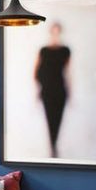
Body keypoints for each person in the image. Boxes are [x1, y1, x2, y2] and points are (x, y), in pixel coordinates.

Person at [34, 22, 71, 157]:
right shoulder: (43, 50)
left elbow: (68, 72)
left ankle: (54, 146)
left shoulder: (65, 50)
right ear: (50, 32)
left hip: (60, 89)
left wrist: (70, 91)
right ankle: (52, 147)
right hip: (47, 90)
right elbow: (36, 72)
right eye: (53, 32)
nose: (55, 34)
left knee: (58, 118)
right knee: (50, 118)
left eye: (57, 32)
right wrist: (37, 90)